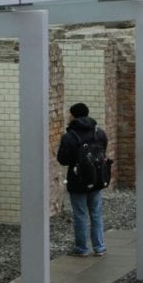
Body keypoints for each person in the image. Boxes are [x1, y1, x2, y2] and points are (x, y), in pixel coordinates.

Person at [56, 103, 108, 257]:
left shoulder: (70, 136)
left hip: (77, 180)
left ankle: (81, 248)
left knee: (80, 214)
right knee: (96, 213)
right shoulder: (99, 133)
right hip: (97, 178)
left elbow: (63, 159)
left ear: (73, 116)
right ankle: (99, 247)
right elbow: (102, 151)